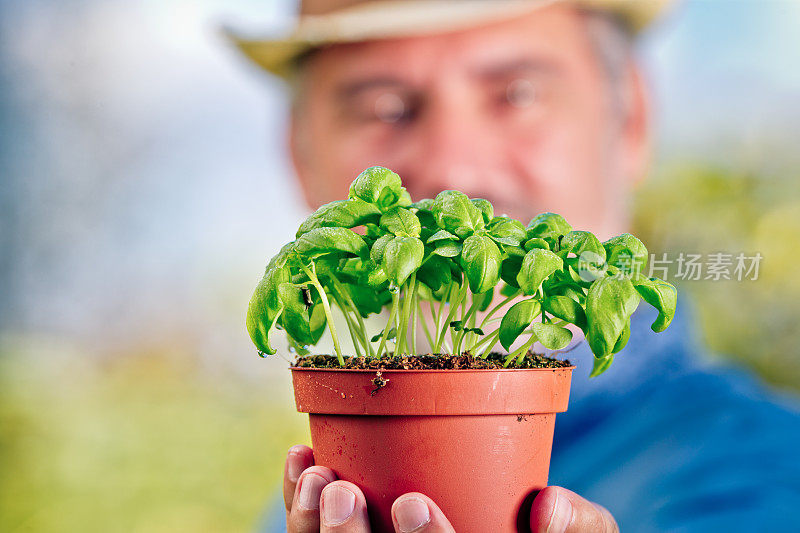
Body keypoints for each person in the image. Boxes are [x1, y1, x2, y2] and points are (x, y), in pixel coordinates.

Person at [229, 1, 800, 531]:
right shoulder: (307, 508)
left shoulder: (767, 477)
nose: (455, 165)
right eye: (386, 109)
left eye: (518, 94)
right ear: (299, 154)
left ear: (631, 119)